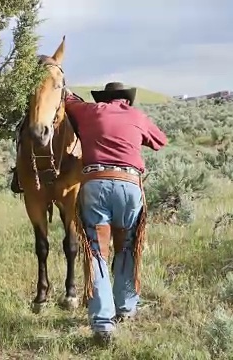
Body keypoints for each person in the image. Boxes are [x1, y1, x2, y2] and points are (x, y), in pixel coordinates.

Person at [64, 82, 168, 344]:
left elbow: (67, 102)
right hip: (130, 187)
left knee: (97, 252)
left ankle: (103, 323)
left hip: (95, 183)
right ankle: (126, 307)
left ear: (105, 98)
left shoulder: (89, 110)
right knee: (128, 246)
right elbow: (160, 141)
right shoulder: (137, 116)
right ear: (126, 100)